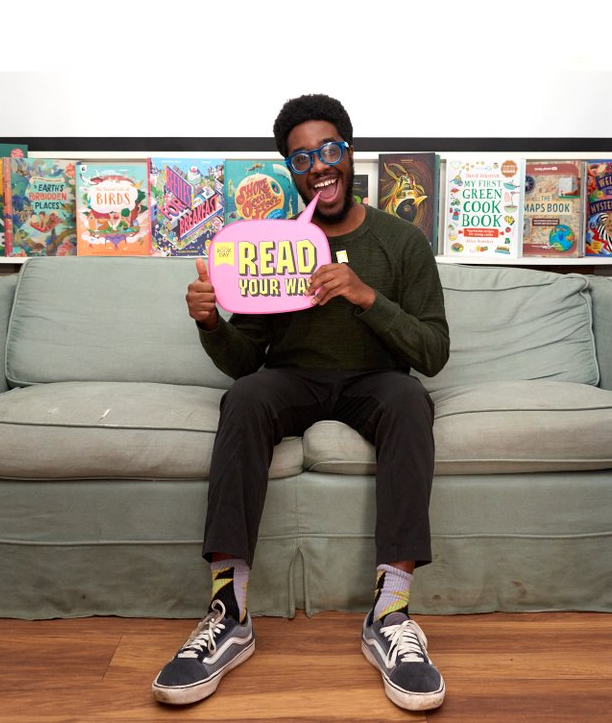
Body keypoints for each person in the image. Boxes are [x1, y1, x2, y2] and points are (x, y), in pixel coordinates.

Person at [152, 94, 450, 711]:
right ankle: (228, 612)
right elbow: (245, 358)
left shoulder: (401, 242)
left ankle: (390, 614)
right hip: (294, 379)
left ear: (350, 154)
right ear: (291, 170)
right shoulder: (276, 244)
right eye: (302, 157)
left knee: (410, 401)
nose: (319, 165)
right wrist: (212, 323)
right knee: (245, 396)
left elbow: (433, 351)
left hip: (376, 381)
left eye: (330, 150)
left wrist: (367, 297)